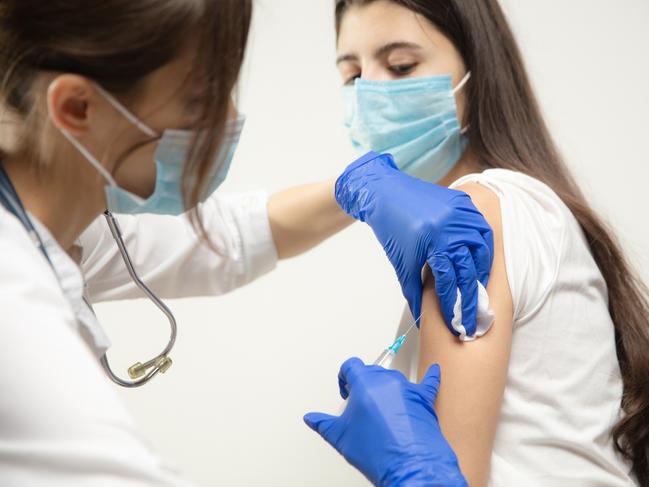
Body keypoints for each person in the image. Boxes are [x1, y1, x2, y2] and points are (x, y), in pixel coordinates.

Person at [0, 1, 490, 485]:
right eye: (200, 99)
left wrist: (357, 187)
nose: (229, 119)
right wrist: (420, 477)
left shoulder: (58, 222)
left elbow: (229, 236)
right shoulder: (13, 304)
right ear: (76, 107)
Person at [329, 1, 649, 486]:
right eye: (352, 76)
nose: (371, 91)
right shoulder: (514, 205)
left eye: (401, 66)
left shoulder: (475, 216)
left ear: (478, 72)